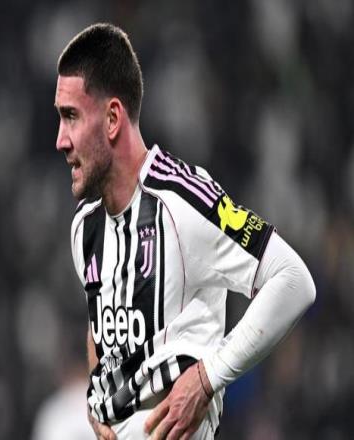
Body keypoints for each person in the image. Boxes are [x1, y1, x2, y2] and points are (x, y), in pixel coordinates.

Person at [54, 23, 316, 440]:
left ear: (112, 118)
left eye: (71, 117)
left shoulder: (183, 200)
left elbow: (293, 278)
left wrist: (208, 377)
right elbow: (99, 322)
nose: (60, 140)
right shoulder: (85, 227)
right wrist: (99, 397)